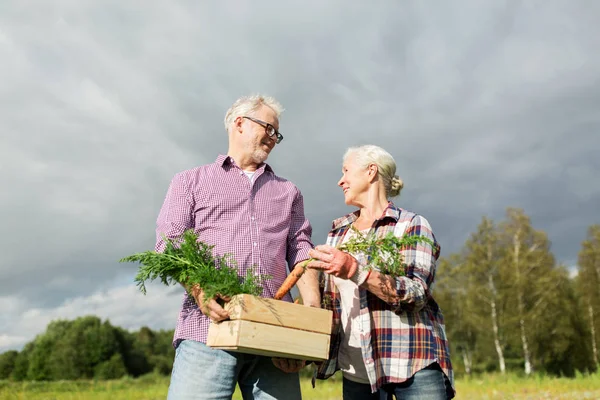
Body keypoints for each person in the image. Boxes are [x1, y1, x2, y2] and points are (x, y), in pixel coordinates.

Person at [155, 94, 320, 400]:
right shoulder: (189, 182)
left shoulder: (288, 192)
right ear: (240, 124)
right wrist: (200, 291)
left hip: (273, 338)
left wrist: (310, 323)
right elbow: (170, 246)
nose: (273, 138)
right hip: (206, 332)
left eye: (277, 134)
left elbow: (301, 251)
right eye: (268, 128)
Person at [307, 145, 455, 399]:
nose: (340, 180)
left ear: (371, 171)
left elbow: (417, 292)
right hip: (358, 372)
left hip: (412, 364)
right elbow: (327, 302)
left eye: (346, 171)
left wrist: (354, 269)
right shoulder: (338, 233)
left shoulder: (410, 225)